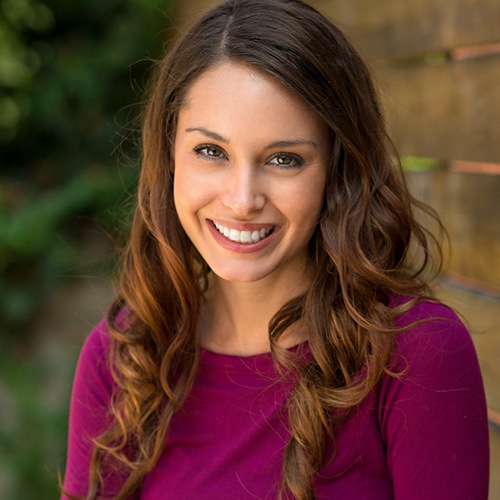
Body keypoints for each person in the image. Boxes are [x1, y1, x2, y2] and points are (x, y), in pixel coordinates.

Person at [61, 0, 490, 498]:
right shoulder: (124, 359)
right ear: (169, 154)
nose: (243, 200)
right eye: (211, 152)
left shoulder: (417, 355)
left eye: (285, 159)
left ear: (337, 168)